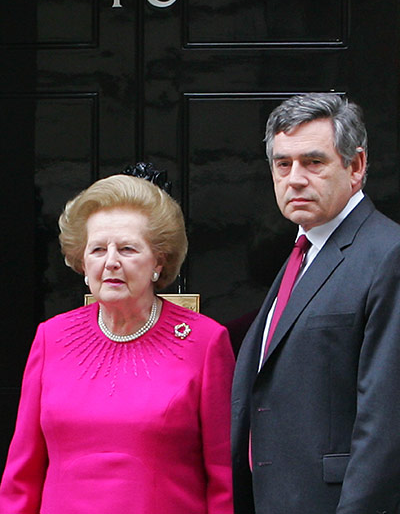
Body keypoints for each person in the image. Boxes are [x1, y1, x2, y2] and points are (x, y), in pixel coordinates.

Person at [0, 169, 235, 514]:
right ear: (82, 262)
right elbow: (23, 473)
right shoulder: (51, 338)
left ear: (159, 259)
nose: (111, 262)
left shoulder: (206, 341)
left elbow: (224, 478)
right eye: (97, 249)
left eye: (127, 248)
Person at [231, 93, 400, 514]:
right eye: (282, 164)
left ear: (356, 166)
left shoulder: (387, 254)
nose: (295, 178)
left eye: (314, 162)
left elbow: (386, 418)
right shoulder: (303, 252)